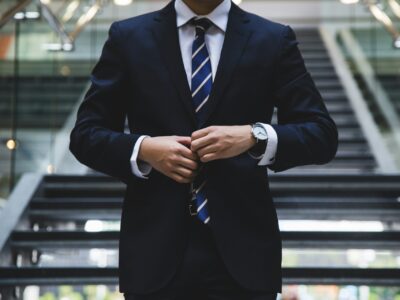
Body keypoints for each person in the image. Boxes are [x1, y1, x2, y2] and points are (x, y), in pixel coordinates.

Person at [69, 0, 338, 299]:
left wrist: (254, 135)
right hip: (153, 254)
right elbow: (85, 135)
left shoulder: (273, 38)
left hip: (245, 256)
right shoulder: (129, 37)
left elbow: (321, 134)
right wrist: (144, 149)